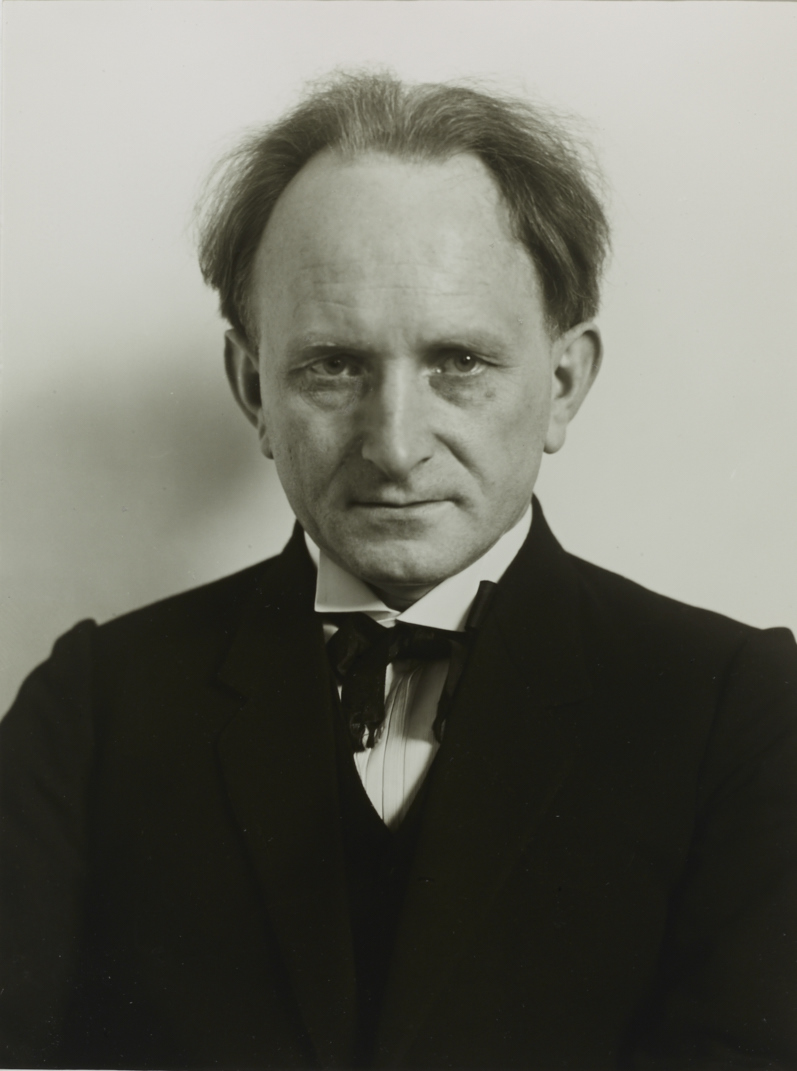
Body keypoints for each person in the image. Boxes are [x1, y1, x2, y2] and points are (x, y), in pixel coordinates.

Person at [1, 72, 796, 1071]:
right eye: (333, 365)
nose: (395, 445)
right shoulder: (89, 712)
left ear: (561, 384)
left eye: (457, 362)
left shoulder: (741, 713)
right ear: (253, 388)